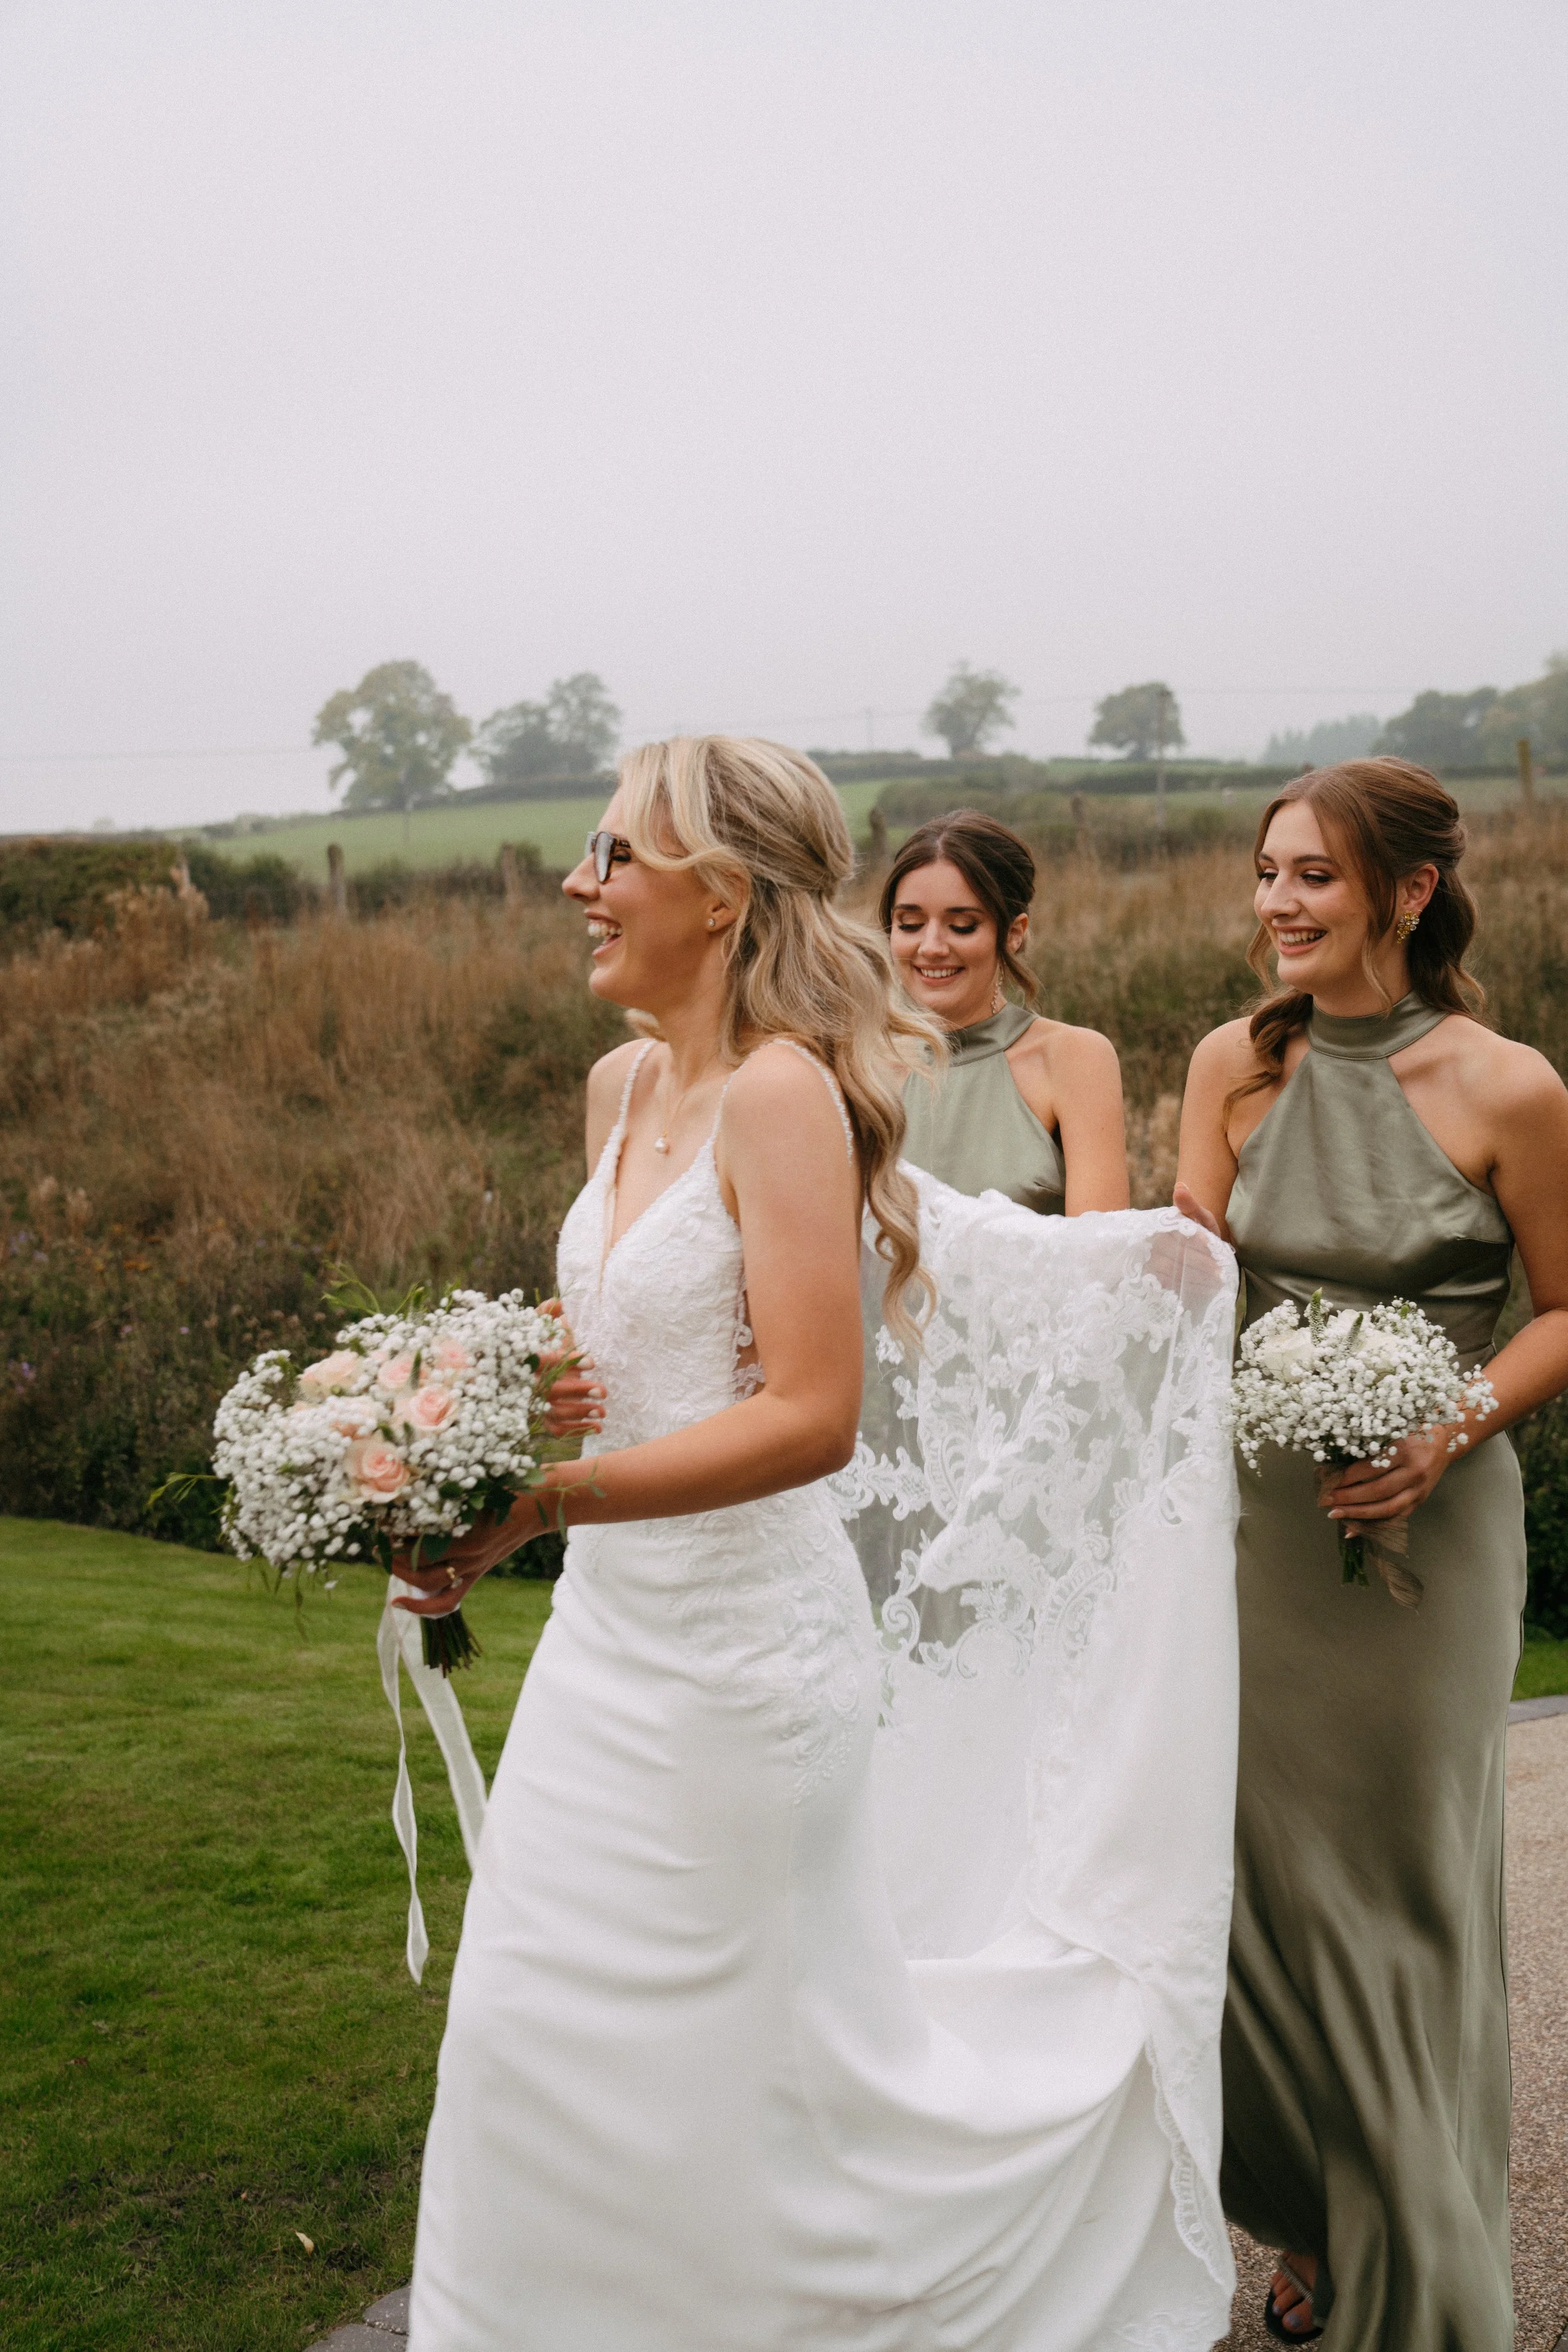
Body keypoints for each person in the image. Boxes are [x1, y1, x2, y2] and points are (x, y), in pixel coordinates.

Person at [394, 736, 1240, 2352]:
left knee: (738, 2074)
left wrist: (548, 1502)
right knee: (521, 2034)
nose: (577, 881)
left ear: (718, 894)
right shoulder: (618, 1088)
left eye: (612, 853)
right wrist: (475, 1437)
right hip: (603, 1649)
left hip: (743, 1673)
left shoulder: (784, 1095)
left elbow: (809, 1413)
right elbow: (633, 1353)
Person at [1174, 758, 1568, 2347]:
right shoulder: (1230, 1063)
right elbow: (1184, 1277)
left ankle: (1416, 2257)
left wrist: (1445, 1430)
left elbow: (1563, 1311)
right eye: (1268, 871)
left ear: (1408, 891)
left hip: (1434, 1530)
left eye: (1315, 875)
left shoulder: (1508, 1086)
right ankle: (1321, 2215)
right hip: (1256, 1531)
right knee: (1243, 1889)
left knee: (1398, 1891)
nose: (1278, 902)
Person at [879, 811, 1128, 1213]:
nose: (931, 947)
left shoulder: (1074, 1059)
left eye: (962, 925)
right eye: (910, 924)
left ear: (1014, 933)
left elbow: (1101, 1243)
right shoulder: (856, 1066)